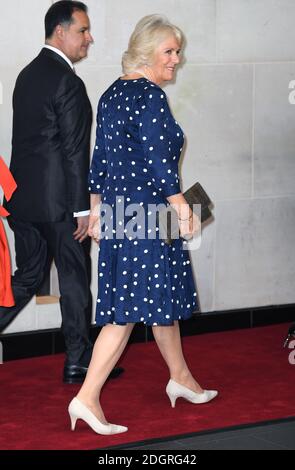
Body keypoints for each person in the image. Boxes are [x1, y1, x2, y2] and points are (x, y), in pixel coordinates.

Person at [68, 14, 218, 435]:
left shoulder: (113, 93)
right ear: (148, 51)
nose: (176, 59)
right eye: (169, 51)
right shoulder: (150, 96)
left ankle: (181, 378)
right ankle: (86, 397)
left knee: (159, 301)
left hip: (121, 216)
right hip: (149, 219)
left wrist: (96, 209)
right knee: (124, 316)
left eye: (178, 51)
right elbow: (157, 161)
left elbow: (98, 160)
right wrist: (182, 207)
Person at [0, 1, 123, 383]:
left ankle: (78, 359)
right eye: (83, 31)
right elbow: (73, 152)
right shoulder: (68, 81)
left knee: (28, 276)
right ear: (60, 32)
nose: (89, 39)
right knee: (73, 279)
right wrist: (80, 210)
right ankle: (77, 363)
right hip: (60, 206)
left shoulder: (27, 75)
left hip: (23, 201)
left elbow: (25, 144)